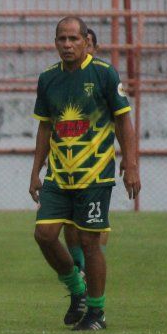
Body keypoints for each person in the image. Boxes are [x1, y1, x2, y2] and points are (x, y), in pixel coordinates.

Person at [29, 16, 140, 330]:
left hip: (94, 175)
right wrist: (35, 171)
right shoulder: (48, 78)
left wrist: (131, 165)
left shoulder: (104, 74)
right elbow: (45, 126)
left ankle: (96, 312)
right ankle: (77, 289)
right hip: (59, 175)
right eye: (61, 39)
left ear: (85, 40)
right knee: (44, 234)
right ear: (55, 42)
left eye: (73, 39)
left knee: (91, 243)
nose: (67, 45)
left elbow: (123, 121)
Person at [61, 28, 109, 275]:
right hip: (66, 164)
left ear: (94, 48)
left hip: (96, 167)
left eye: (88, 44)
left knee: (95, 226)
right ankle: (80, 264)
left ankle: (91, 263)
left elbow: (120, 121)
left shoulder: (104, 77)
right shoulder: (62, 79)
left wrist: (128, 160)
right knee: (68, 223)